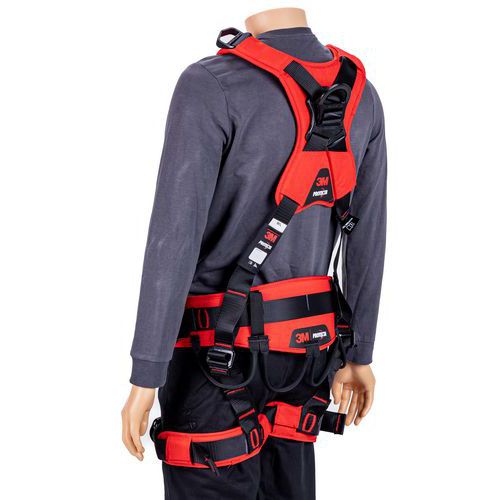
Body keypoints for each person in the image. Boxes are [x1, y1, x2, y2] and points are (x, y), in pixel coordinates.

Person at [122, 7, 386, 499]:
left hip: (212, 360)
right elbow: (367, 233)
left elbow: (173, 238)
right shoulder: (360, 95)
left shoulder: (210, 84)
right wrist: (358, 352)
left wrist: (147, 372)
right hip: (308, 357)